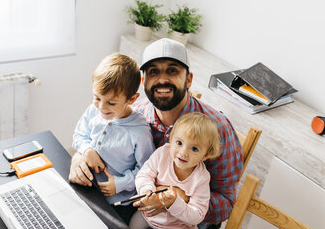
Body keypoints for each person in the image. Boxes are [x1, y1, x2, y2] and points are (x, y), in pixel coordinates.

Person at [132, 38, 243, 229]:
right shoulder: (135, 115)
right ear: (144, 81)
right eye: (153, 72)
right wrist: (83, 155)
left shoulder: (219, 129)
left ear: (188, 79)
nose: (162, 79)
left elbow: (226, 203)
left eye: (172, 70)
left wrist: (179, 198)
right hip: (141, 210)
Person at [69, 53, 155, 224]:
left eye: (111, 103)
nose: (101, 107)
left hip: (118, 202)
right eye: (97, 98)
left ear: (131, 99)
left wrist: (120, 183)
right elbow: (79, 134)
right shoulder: (94, 110)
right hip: (87, 186)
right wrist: (87, 150)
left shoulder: (140, 133)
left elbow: (146, 170)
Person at [129, 112, 222, 229]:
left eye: (194, 148)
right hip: (148, 216)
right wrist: (147, 190)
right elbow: (144, 175)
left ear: (205, 155)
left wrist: (173, 203)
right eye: (179, 143)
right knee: (132, 224)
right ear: (171, 139)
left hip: (178, 226)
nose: (183, 152)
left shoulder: (201, 178)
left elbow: (198, 215)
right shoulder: (162, 154)